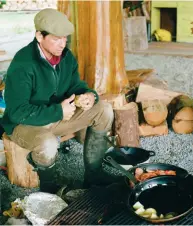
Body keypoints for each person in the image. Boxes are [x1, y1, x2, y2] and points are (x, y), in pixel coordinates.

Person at [2, 8, 120, 193]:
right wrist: (58, 111)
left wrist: (89, 95)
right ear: (39, 36)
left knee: (104, 109)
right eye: (56, 38)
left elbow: (76, 86)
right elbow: (17, 111)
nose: (62, 44)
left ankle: (94, 175)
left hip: (57, 116)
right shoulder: (22, 64)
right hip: (24, 125)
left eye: (65, 38)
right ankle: (50, 188)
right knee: (48, 144)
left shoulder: (66, 57)